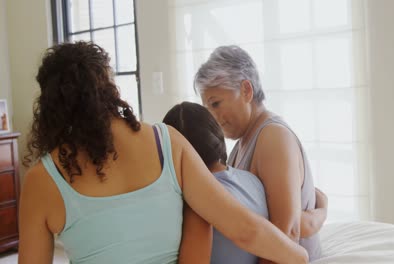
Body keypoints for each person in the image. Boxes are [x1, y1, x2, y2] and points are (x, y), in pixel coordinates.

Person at [18, 41, 309, 264]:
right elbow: (244, 228)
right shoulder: (167, 141)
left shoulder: (41, 180)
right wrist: (300, 256)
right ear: (109, 88)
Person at [194, 45, 326, 262]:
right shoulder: (240, 145)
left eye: (216, 104)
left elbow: (287, 234)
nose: (212, 117)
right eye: (207, 108)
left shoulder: (274, 137)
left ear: (246, 90)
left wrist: (318, 216)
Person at [163, 101, 328, 264]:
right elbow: (294, 224)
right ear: (215, 137)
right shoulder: (254, 182)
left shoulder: (192, 202)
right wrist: (321, 212)